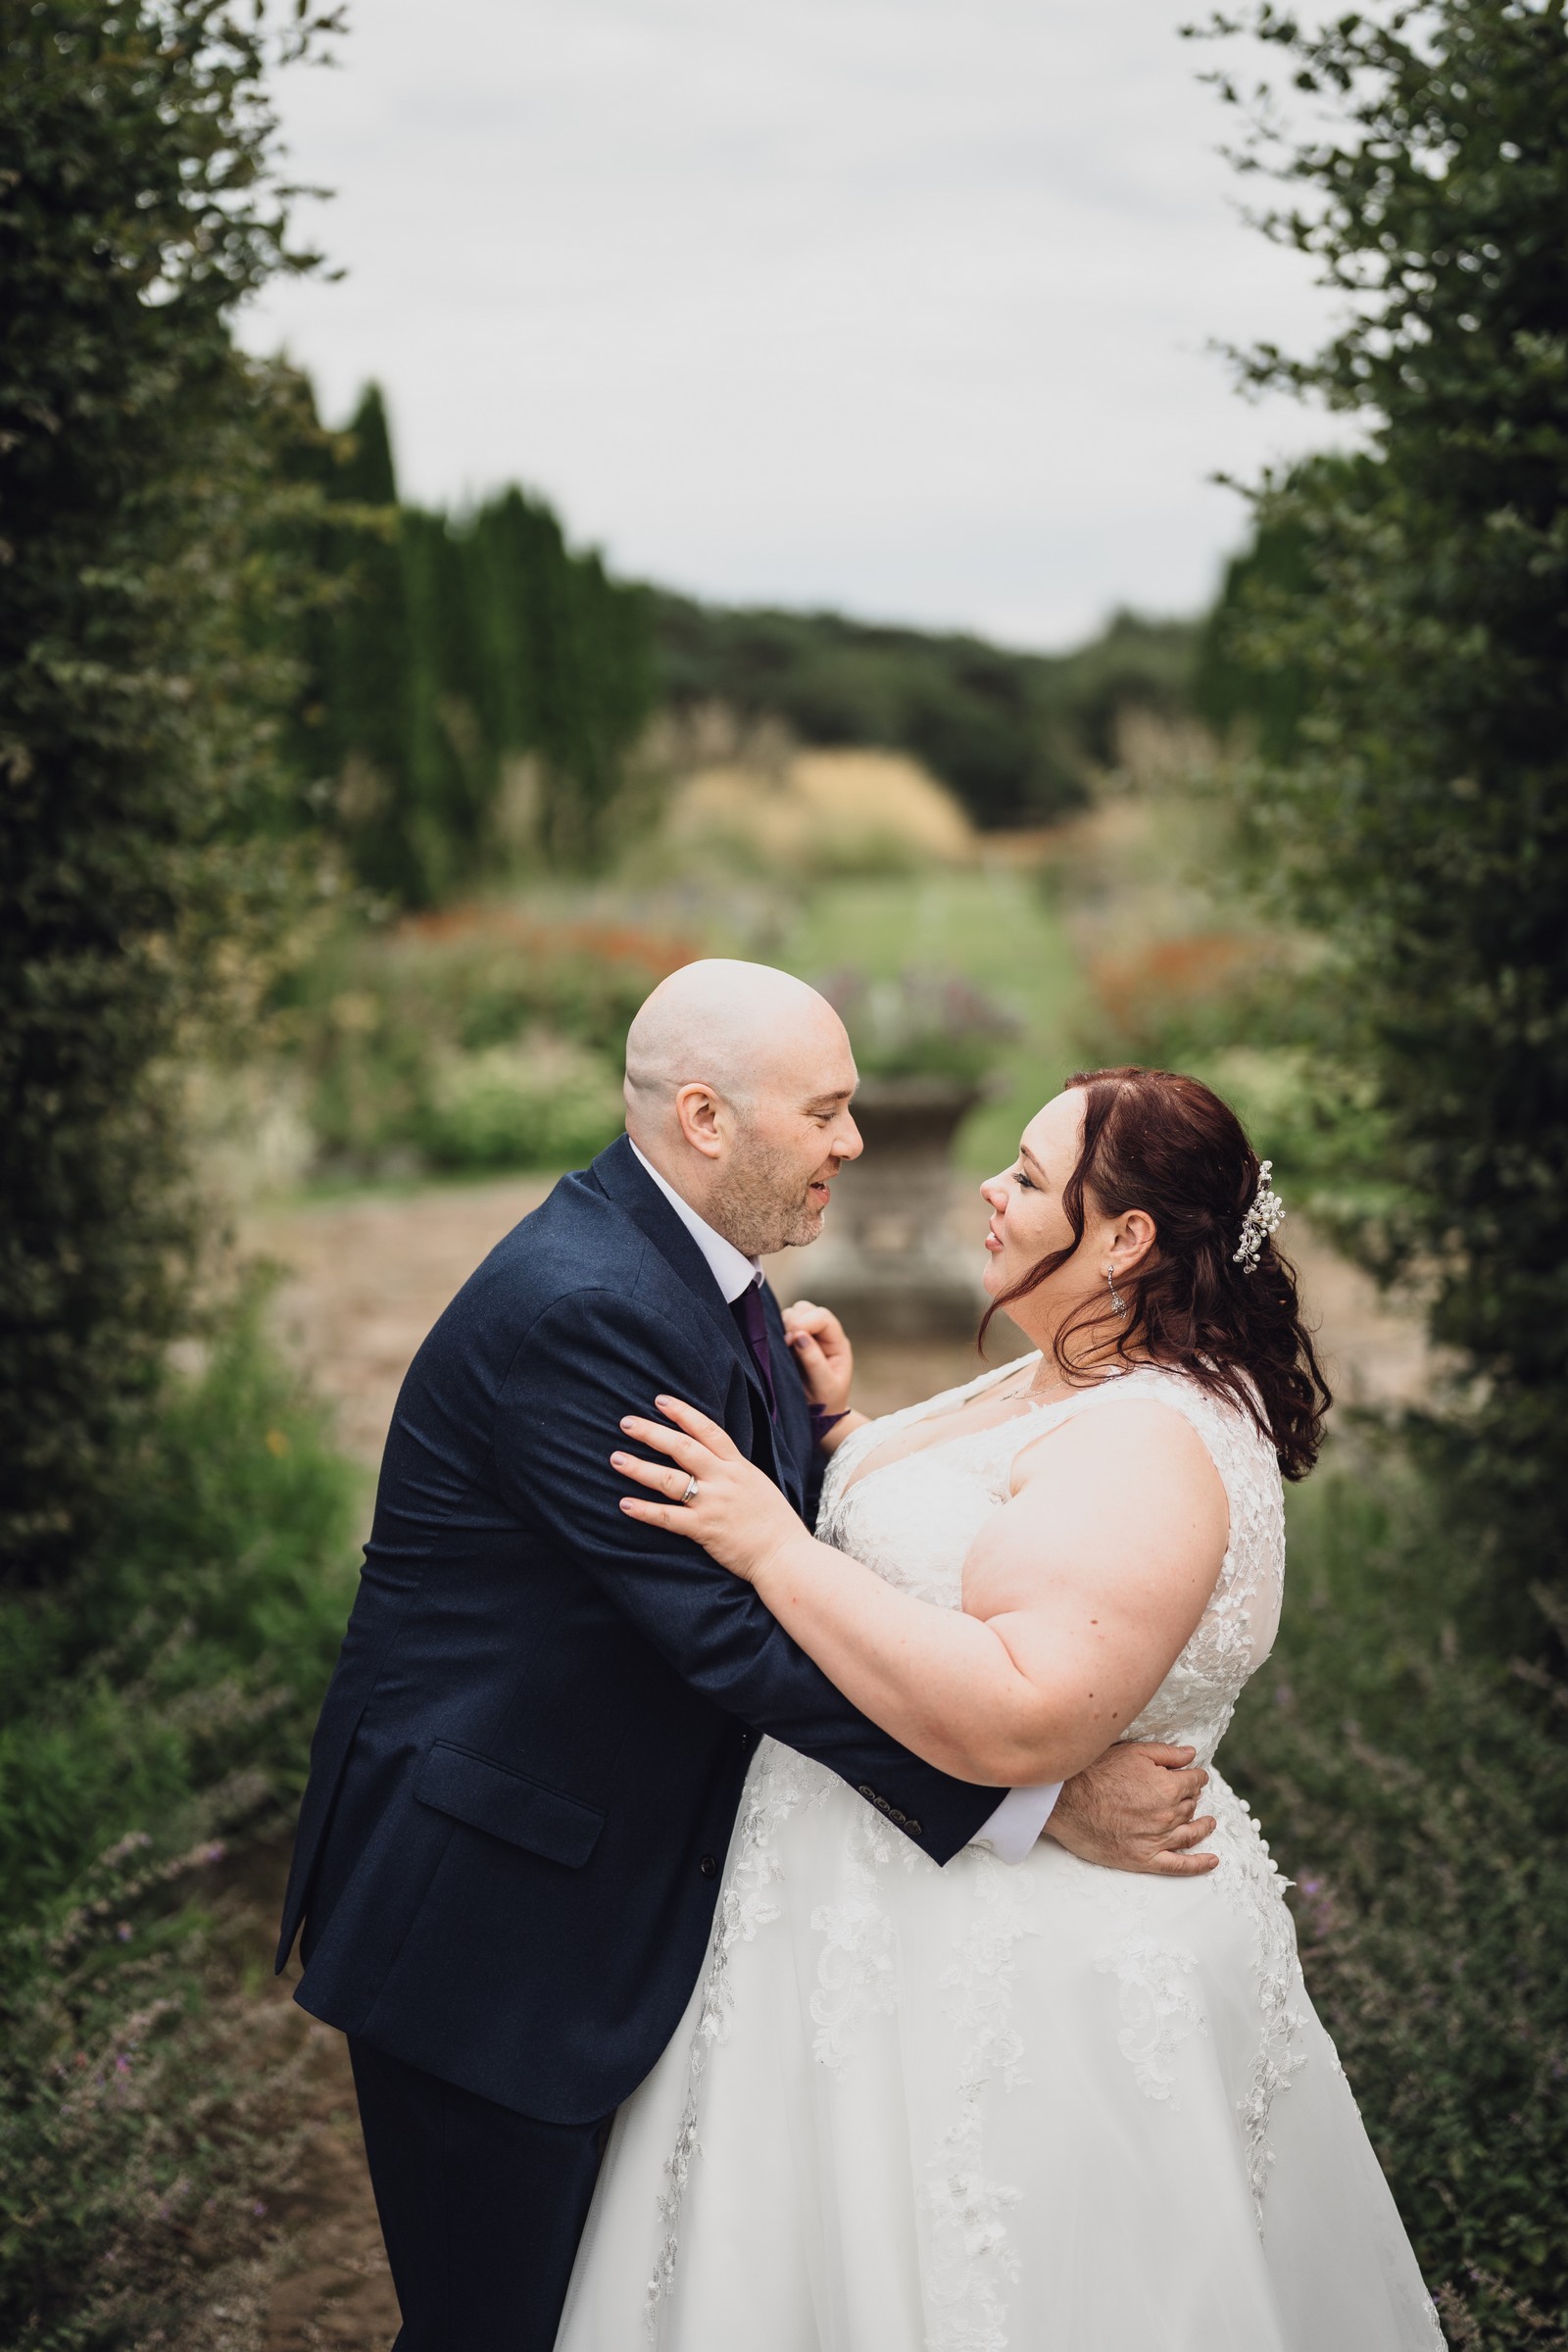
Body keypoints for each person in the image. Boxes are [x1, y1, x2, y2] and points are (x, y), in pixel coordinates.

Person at [275, 966, 1207, 2352]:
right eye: (826, 1112)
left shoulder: (706, 1280)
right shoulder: (586, 1304)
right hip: (492, 1926)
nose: (854, 1144)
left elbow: (769, 1549)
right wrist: (1036, 1793)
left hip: (601, 1898)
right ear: (705, 1119)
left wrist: (839, 1442)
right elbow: (726, 1629)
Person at [560, 1064, 1445, 2350]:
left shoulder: (1151, 1438)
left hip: (1018, 1983)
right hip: (870, 1927)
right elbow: (980, 1548)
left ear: (1126, 1239)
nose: (991, 1187)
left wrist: (775, 1546)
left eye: (1030, 1178)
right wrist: (845, 1438)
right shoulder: (1064, 1370)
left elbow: (1028, 1715)